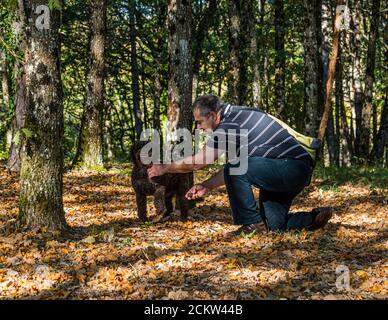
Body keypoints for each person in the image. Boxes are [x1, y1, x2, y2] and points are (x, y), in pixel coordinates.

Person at [148, 95, 332, 235]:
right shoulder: (238, 116)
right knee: (275, 226)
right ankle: (313, 218)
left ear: (213, 115)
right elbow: (236, 169)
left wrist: (164, 167)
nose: (198, 128)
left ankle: (251, 224)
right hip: (288, 170)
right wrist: (207, 185)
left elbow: (199, 162)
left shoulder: (229, 123)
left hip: (289, 168)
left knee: (237, 168)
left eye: (199, 122)